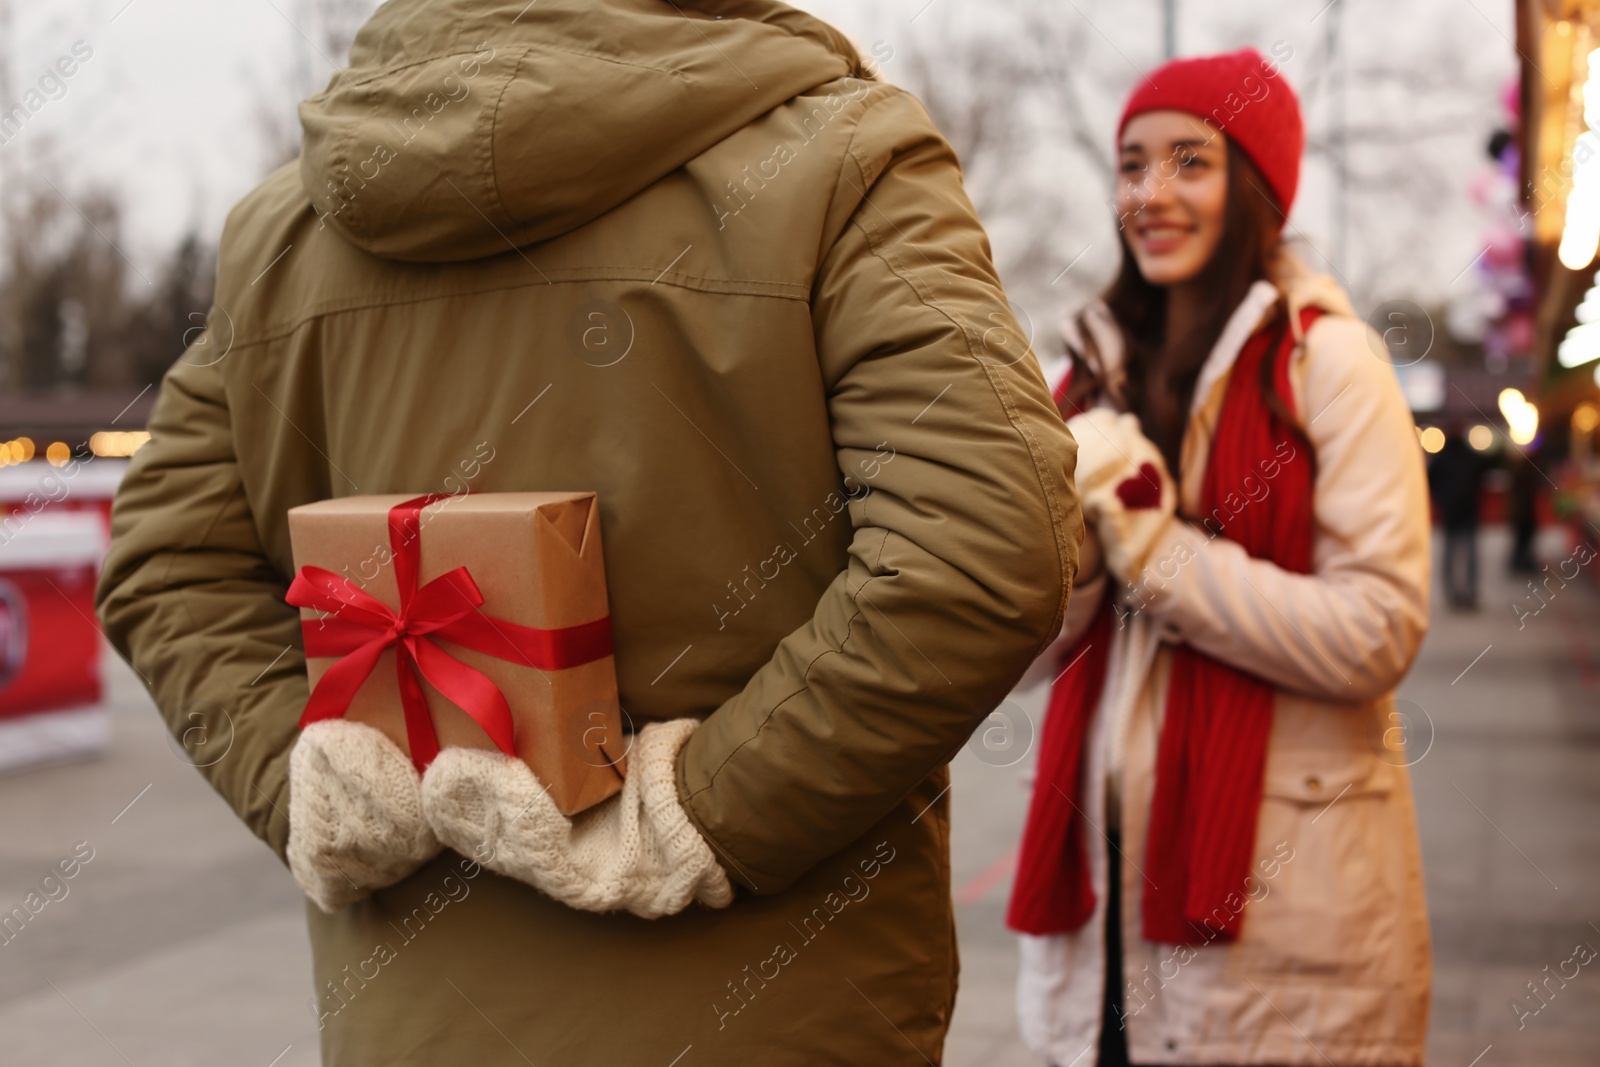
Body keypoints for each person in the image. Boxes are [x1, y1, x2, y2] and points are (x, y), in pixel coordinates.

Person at [93, 2, 1082, 1065]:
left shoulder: (289, 228)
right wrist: (704, 811)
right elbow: (989, 545)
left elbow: (162, 555)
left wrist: (306, 779)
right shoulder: (844, 161)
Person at [1006, 49, 1432, 1067]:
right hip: (1103, 894)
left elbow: (1378, 627)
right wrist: (1070, 564)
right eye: (1131, 165)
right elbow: (1023, 651)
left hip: (1280, 903)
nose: (1150, 193)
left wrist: (1155, 548)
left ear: (1254, 187)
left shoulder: (1328, 362)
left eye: (1188, 162)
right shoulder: (1092, 372)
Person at [1427, 421, 1486, 608]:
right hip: (1468, 511)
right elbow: (1481, 480)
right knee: (1469, 554)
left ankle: (1452, 593)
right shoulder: (1471, 456)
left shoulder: (1441, 457)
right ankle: (1468, 591)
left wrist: (1441, 499)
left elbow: (1430, 482)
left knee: (1451, 554)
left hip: (1451, 512)